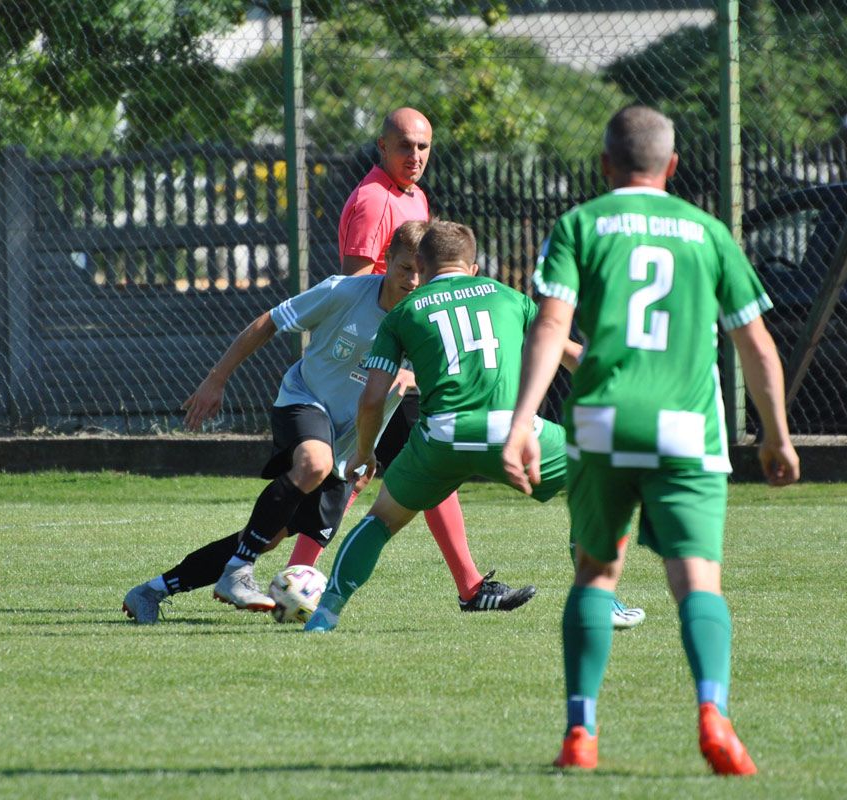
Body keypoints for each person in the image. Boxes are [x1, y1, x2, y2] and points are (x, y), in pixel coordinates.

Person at [502, 105, 800, 773]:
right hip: (686, 429)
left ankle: (581, 732)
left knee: (596, 573)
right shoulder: (708, 232)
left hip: (602, 424)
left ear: (605, 164)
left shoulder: (580, 225)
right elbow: (755, 343)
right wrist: (776, 435)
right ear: (672, 166)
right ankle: (713, 714)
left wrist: (521, 422)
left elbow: (549, 327)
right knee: (696, 580)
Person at [122, 224, 436, 622]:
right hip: (304, 400)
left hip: (348, 446)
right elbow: (270, 321)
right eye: (405, 268)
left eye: (421, 272)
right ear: (386, 260)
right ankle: (238, 571)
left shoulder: (427, 320)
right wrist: (216, 379)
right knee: (313, 462)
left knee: (265, 537)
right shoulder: (344, 292)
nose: (413, 280)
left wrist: (370, 442)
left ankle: (151, 591)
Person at [283, 107, 524, 613]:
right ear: (382, 148)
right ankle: (285, 573)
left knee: (398, 466)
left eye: (423, 147)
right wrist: (394, 364)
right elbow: (357, 290)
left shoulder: (414, 196)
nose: (415, 156)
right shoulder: (373, 201)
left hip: (405, 356)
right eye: (404, 146)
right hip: (383, 362)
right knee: (382, 469)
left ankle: (294, 577)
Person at [302, 220, 590, 632]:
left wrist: (364, 453)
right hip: (512, 433)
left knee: (381, 520)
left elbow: (372, 399)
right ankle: (598, 599)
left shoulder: (402, 314)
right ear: (473, 268)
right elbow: (571, 355)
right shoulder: (508, 297)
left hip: (440, 438)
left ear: (421, 266)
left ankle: (325, 614)